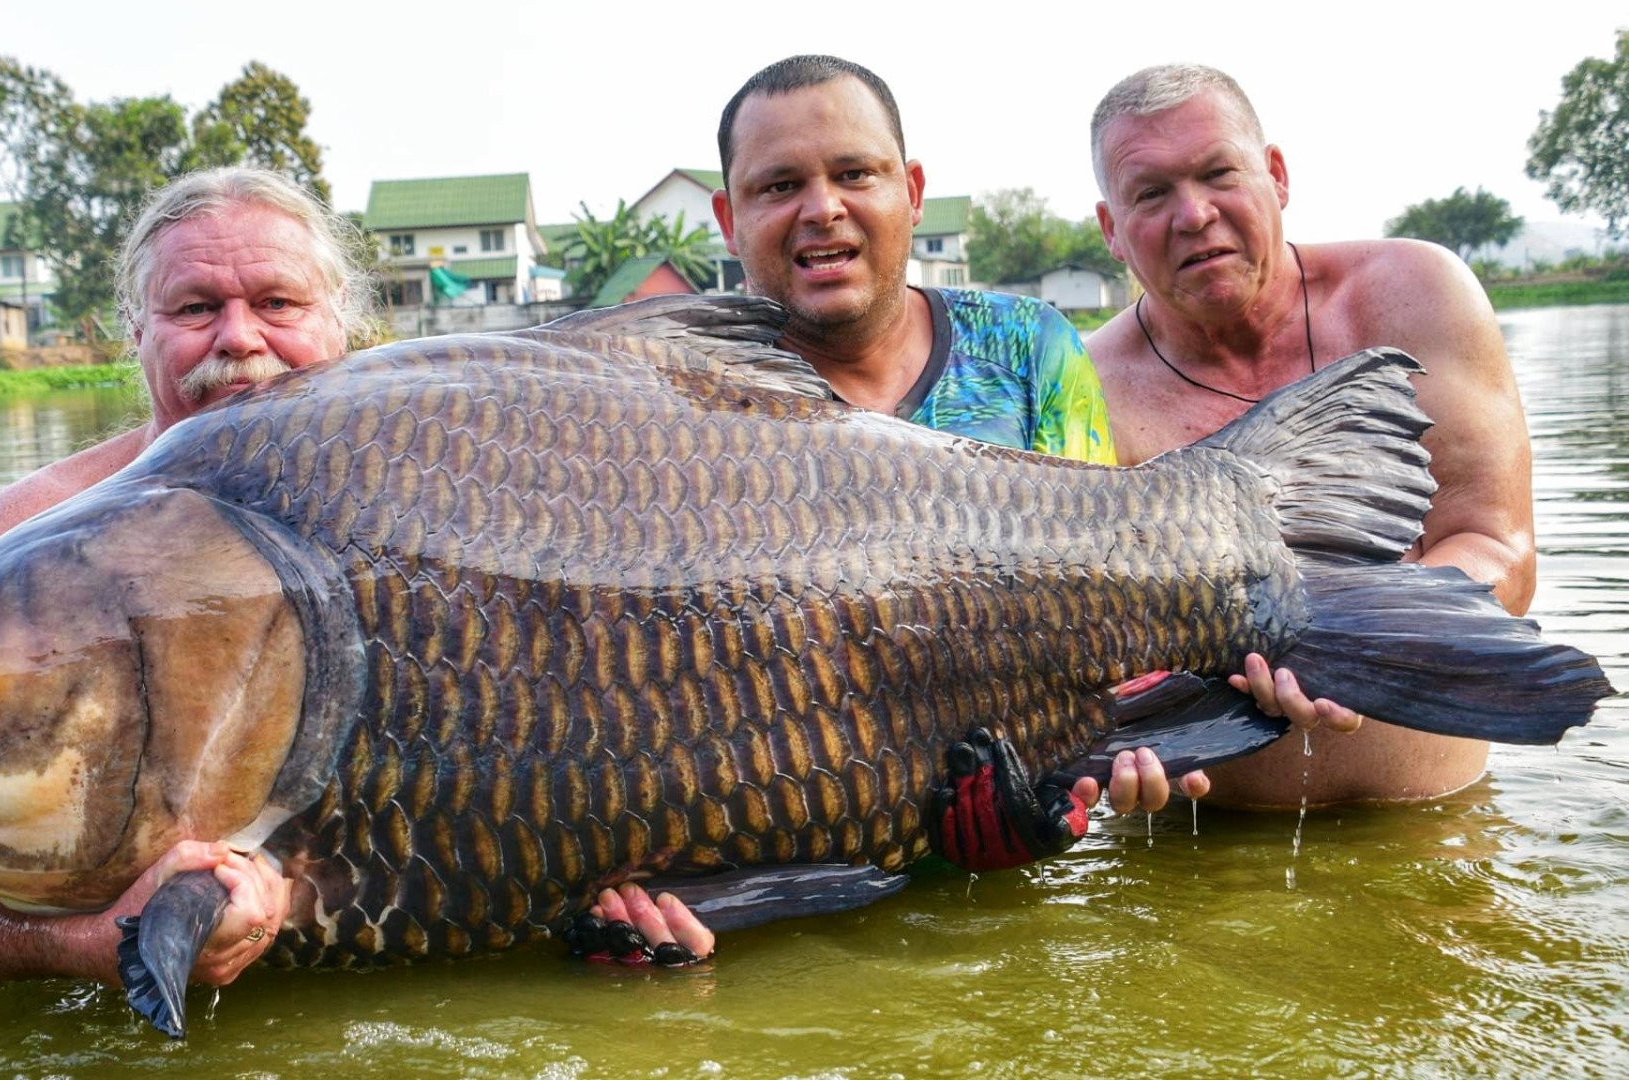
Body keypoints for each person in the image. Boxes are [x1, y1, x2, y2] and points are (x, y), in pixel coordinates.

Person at [586, 55, 1212, 959]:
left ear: (911, 191)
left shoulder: (1030, 351)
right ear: (730, 219)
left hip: (1006, 898)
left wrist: (1111, 762)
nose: (821, 208)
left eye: (854, 174)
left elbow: (1112, 631)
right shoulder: (667, 399)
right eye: (779, 185)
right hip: (767, 908)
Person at [0, 166, 380, 987]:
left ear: (341, 321)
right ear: (135, 329)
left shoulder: (435, 506)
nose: (239, 338)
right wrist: (95, 946)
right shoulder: (32, 529)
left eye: (277, 304)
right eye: (195, 308)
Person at [1081, 64, 1536, 807]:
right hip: (1202, 853)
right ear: (1111, 231)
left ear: (1277, 175)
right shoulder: (1088, 385)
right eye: (1152, 193)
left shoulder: (1415, 294)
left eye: (1218, 173)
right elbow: (1078, 646)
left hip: (1438, 825)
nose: (1194, 214)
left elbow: (1500, 551)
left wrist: (1355, 650)